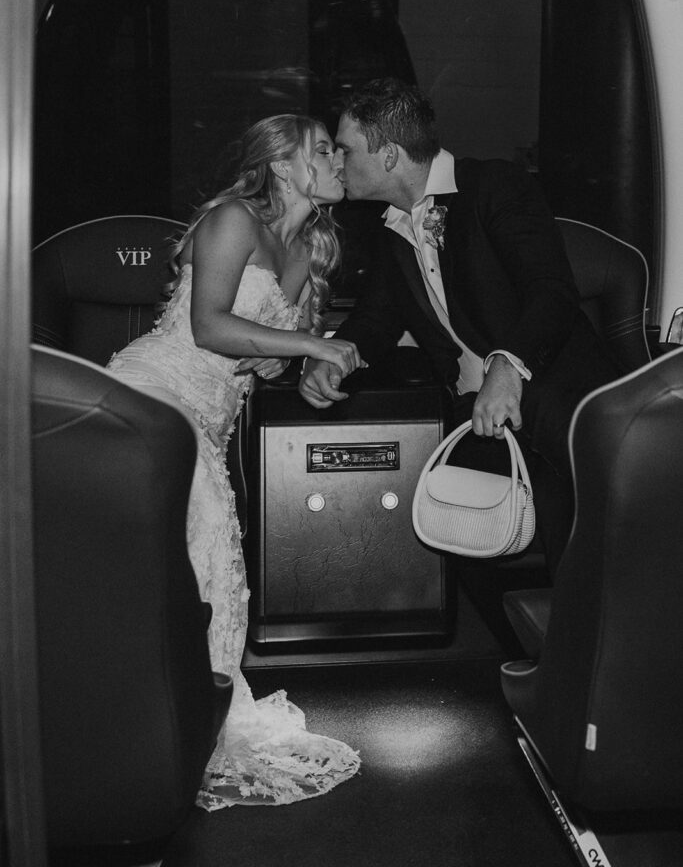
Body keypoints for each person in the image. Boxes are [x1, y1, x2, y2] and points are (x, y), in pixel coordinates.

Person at [107, 114, 363, 809]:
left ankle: (184, 725)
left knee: (202, 569)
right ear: (282, 166)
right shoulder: (231, 219)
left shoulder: (310, 248)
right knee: (208, 555)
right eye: (323, 151)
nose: (340, 160)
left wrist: (300, 369)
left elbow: (271, 360)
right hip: (154, 395)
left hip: (212, 417)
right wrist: (308, 349)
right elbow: (207, 325)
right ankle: (173, 732)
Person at [299, 78, 621, 576]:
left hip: (556, 394)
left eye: (344, 149)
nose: (336, 163)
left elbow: (550, 290)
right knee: (448, 544)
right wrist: (335, 356)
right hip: (471, 415)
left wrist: (507, 368)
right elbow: (376, 317)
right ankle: (539, 644)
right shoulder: (391, 227)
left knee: (586, 546)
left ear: (388, 155)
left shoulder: (495, 186)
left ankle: (581, 648)